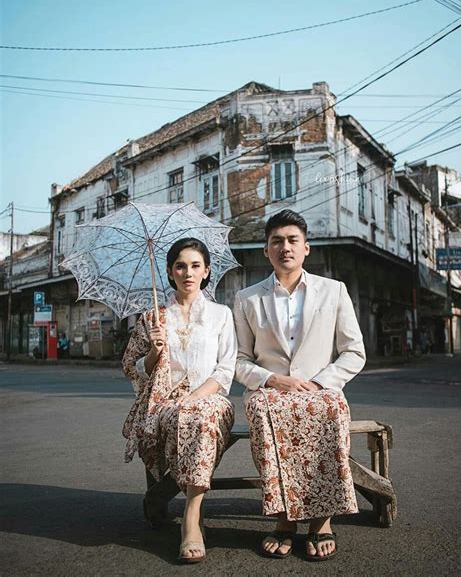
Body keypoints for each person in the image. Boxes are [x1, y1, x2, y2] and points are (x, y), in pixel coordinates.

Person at [233, 210, 366, 561]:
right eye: (276, 241)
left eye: (292, 240)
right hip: (269, 390)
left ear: (306, 248)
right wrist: (271, 379)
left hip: (319, 390)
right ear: (266, 251)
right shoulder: (247, 298)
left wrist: (321, 382)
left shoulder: (334, 291)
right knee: (264, 411)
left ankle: (321, 521)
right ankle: (284, 519)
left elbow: (354, 352)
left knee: (329, 408)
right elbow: (238, 359)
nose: (285, 247)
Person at [122, 237, 236, 564]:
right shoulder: (153, 318)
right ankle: (186, 510)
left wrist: (195, 398)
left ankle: (190, 515)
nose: (188, 272)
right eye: (180, 266)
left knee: (201, 417)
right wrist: (155, 351)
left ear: (207, 271)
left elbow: (226, 368)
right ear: (171, 273)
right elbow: (132, 367)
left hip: (212, 400)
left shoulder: (220, 315)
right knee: (187, 418)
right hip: (164, 404)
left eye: (195, 265)